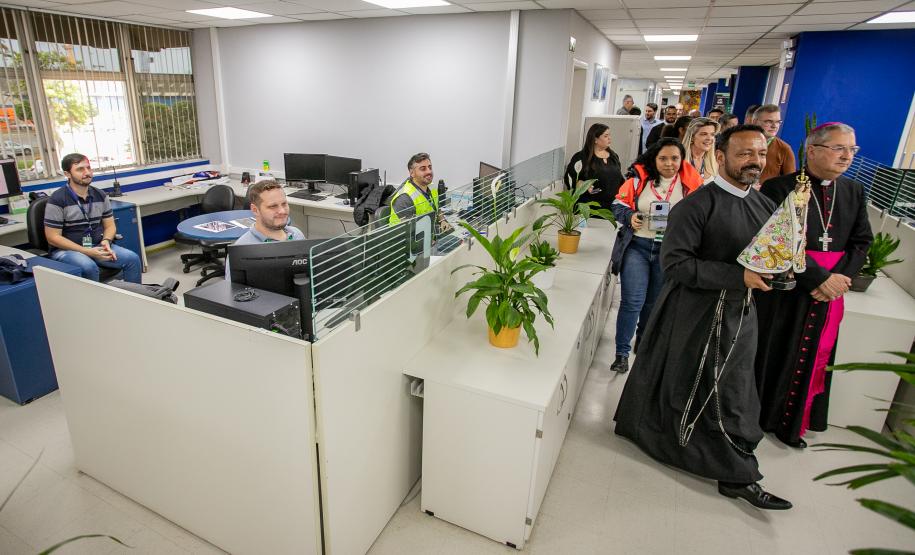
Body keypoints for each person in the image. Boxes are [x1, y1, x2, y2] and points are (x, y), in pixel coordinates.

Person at [614, 125, 792, 511]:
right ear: (722, 156)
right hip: (694, 315)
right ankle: (736, 474)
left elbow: (765, 258)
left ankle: (726, 461)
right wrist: (737, 277)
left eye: (760, 155)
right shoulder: (696, 206)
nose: (755, 162)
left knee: (733, 388)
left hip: (740, 315)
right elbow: (676, 265)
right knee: (710, 388)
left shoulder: (764, 206)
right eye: (745, 154)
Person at [755, 122, 873, 448]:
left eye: (852, 149)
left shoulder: (853, 191)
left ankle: (794, 423)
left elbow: (862, 242)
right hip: (788, 289)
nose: (847, 156)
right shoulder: (779, 188)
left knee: (813, 358)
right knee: (775, 350)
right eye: (839, 148)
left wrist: (838, 280)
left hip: (830, 291)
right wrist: (819, 279)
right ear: (814, 149)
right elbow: (774, 243)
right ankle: (762, 418)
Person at [609, 138, 703, 373]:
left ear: (681, 160)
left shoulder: (691, 185)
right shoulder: (638, 180)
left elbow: (699, 218)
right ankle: (621, 353)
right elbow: (617, 204)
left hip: (668, 252)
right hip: (638, 247)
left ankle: (644, 340)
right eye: (663, 158)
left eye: (674, 158)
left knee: (654, 303)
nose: (669, 163)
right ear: (654, 158)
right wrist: (629, 215)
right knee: (632, 301)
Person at [44, 153, 142, 283]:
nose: (87, 173)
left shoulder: (100, 195)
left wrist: (106, 241)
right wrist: (86, 251)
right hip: (67, 251)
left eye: (88, 168)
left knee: (132, 259)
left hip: (97, 245)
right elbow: (52, 237)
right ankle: (95, 303)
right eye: (80, 169)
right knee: (88, 267)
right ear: (67, 174)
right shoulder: (57, 199)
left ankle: (133, 302)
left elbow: (110, 225)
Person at [564, 123, 625, 211]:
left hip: (612, 207)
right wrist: (582, 184)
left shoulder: (613, 156)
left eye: (609, 135)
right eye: (605, 136)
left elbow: (619, 178)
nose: (609, 138)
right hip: (590, 208)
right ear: (595, 139)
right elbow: (569, 178)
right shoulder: (581, 157)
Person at [234, 179, 305, 245]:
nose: (282, 211)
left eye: (284, 204)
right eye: (273, 206)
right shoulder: (242, 248)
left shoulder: (297, 235)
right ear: (255, 210)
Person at [389, 152, 439, 226]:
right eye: (423, 169)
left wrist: (442, 220)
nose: (429, 171)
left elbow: (437, 208)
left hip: (428, 231)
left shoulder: (432, 187)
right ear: (412, 173)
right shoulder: (404, 198)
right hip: (405, 236)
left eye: (430, 167)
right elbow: (410, 231)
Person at [755, 104, 796, 186]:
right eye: (769, 121)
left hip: (765, 196)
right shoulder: (741, 142)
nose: (774, 126)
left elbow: (790, 183)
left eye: (778, 122)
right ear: (755, 122)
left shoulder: (785, 149)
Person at [682, 117, 720, 184]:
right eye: (704, 134)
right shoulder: (680, 160)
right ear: (692, 137)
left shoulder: (715, 163)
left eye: (712, 134)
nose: (709, 138)